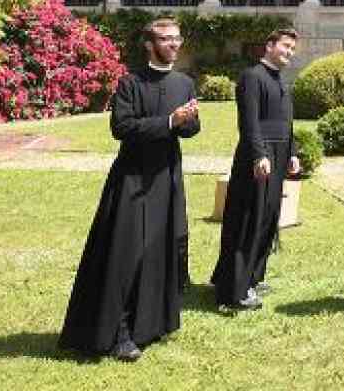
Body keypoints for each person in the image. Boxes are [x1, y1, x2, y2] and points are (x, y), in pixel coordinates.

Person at [60, 18, 200, 361]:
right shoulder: (130, 83)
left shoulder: (184, 83)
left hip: (167, 177)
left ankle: (150, 325)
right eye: (166, 39)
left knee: (159, 249)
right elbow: (121, 128)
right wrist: (170, 121)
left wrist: (186, 121)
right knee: (126, 254)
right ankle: (118, 332)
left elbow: (191, 130)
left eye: (177, 39)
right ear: (149, 45)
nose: (174, 44)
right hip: (133, 178)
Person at [210, 29, 301, 311]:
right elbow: (249, 122)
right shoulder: (253, 77)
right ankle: (234, 291)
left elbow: (286, 121)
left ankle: (251, 277)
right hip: (258, 157)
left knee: (268, 218)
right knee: (248, 220)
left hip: (278, 156)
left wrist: (292, 152)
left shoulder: (279, 79)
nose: (289, 52)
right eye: (285, 46)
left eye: (292, 48)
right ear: (269, 45)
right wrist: (259, 154)